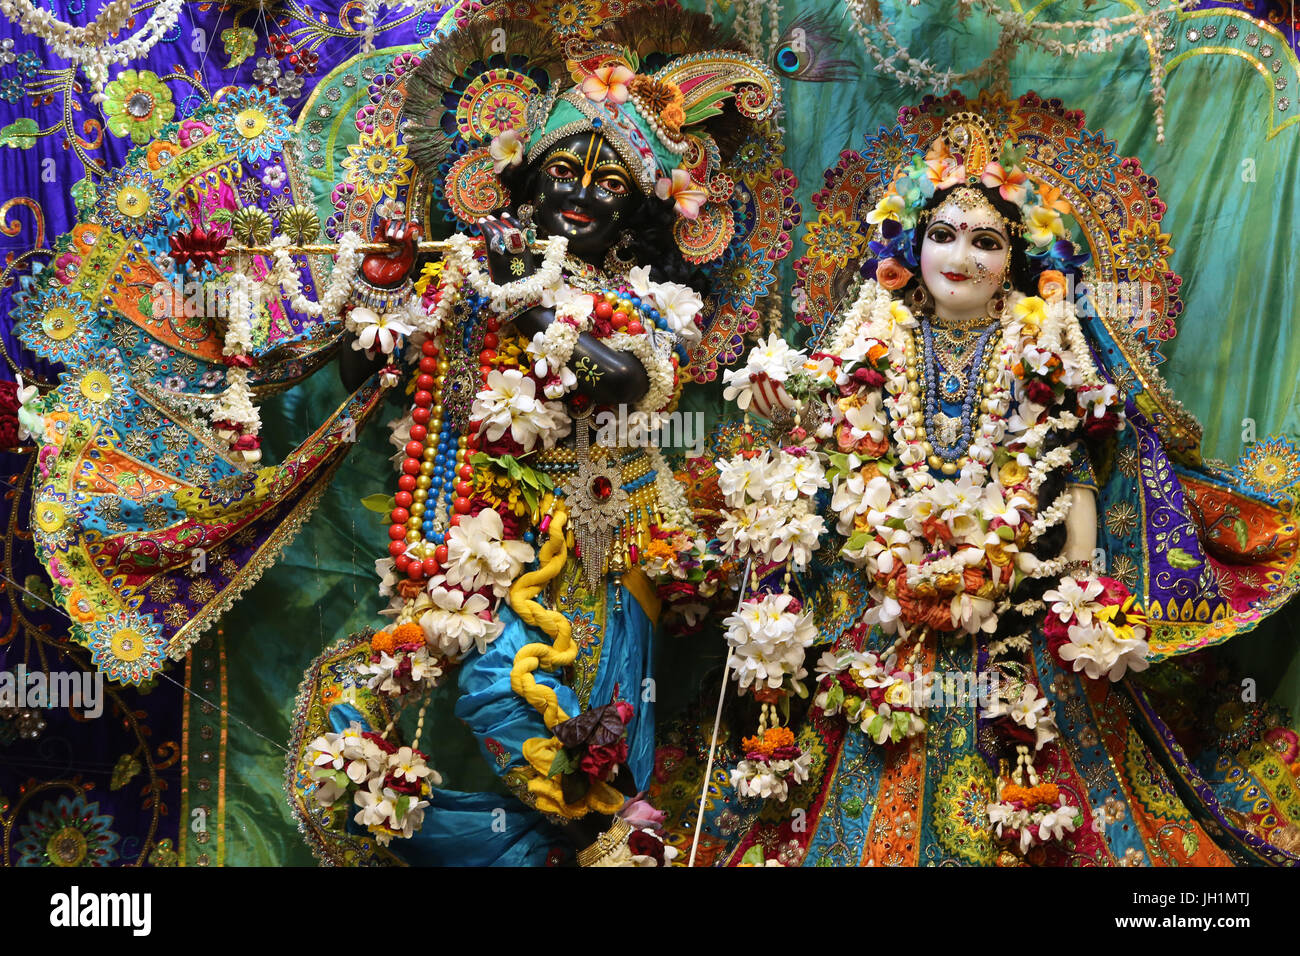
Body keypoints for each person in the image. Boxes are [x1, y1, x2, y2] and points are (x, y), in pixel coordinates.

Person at [651, 106, 1300, 867]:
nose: (961, 255)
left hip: (1015, 598)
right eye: (944, 235)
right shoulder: (873, 334)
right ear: (909, 248)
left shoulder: (1045, 344)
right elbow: (822, 450)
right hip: (886, 599)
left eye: (987, 241)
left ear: (1017, 261)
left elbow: (1075, 463)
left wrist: (1082, 584)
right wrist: (784, 411)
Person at [287, 4, 787, 866]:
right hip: (478, 537)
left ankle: (597, 842)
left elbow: (628, 380)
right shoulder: (469, 271)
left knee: (596, 741)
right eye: (564, 172)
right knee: (489, 700)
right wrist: (374, 285)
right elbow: (371, 371)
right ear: (523, 178)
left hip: (601, 542)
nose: (580, 194)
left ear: (639, 214)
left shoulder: (639, 299)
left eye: (609, 184)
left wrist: (538, 291)